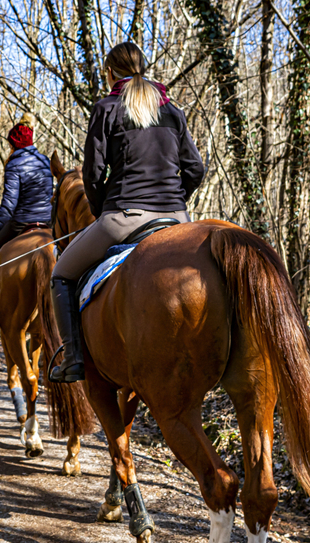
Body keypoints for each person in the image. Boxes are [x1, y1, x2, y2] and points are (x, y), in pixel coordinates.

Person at [48, 42, 206, 383]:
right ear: (144, 69)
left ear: (109, 72)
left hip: (124, 217)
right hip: (177, 220)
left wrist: (103, 206)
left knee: (61, 275)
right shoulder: (172, 112)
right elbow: (196, 169)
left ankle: (73, 360)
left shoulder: (107, 108)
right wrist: (175, 201)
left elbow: (92, 173)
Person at [0, 112, 53, 313]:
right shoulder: (45, 161)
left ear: (14, 144)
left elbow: (8, 206)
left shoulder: (14, 164)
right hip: (48, 223)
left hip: (21, 222)